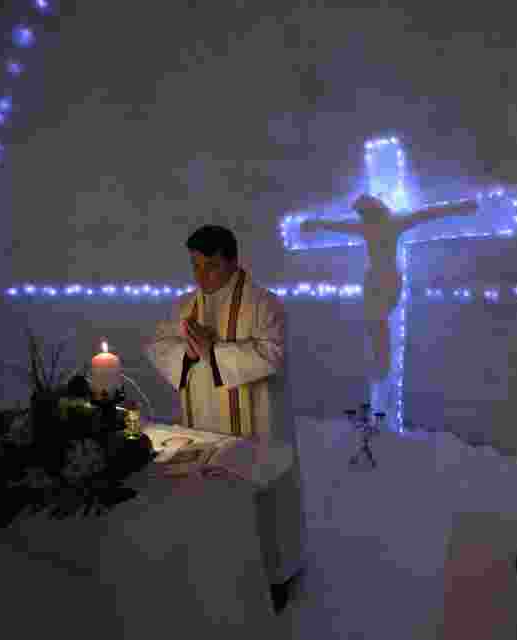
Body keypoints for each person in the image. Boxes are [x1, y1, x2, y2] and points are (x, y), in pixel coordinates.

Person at [144, 224, 302, 613]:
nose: (202, 276)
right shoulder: (186, 306)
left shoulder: (265, 304)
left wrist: (215, 352)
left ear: (233, 261)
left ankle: (274, 578)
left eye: (211, 265)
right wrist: (189, 354)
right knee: (210, 501)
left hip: (255, 426)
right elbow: (158, 345)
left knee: (264, 503)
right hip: (204, 422)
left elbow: (272, 355)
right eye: (195, 266)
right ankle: (215, 571)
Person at [301, 194, 478, 380]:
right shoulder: (378, 225)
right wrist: (313, 224)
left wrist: (460, 207)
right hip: (379, 281)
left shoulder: (386, 223)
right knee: (375, 323)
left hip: (385, 281)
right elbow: (428, 214)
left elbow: (428, 214)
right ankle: (381, 366)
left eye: (363, 213)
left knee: (376, 323)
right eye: (362, 214)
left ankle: (382, 366)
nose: (363, 217)